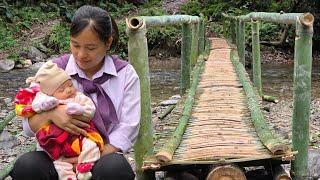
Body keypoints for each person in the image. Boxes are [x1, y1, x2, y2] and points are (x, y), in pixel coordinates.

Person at [10, 5, 140, 180]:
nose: (81, 54)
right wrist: (52, 114)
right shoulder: (52, 70)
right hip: (56, 156)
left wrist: (89, 156)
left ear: (108, 42)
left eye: (91, 48)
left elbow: (128, 127)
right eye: (75, 45)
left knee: (115, 169)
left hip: (100, 154)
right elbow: (27, 127)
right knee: (27, 165)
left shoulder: (125, 74)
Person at [15, 60, 105, 180]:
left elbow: (89, 108)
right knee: (34, 164)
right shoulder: (46, 96)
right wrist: (49, 113)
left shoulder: (78, 97)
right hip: (57, 146)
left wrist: (79, 110)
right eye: (61, 90)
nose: (68, 90)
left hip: (82, 140)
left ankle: (84, 167)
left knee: (93, 148)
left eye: (70, 85)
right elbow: (28, 127)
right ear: (50, 95)